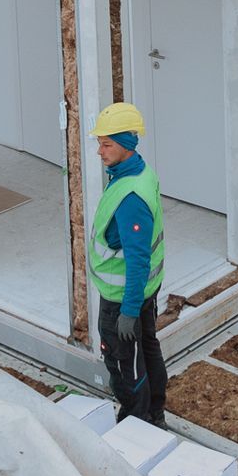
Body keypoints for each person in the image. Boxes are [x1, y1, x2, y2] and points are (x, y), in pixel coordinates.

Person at [88, 102, 167, 427]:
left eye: (107, 144)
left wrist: (129, 312)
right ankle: (155, 414)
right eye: (99, 143)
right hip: (143, 292)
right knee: (147, 350)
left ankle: (137, 424)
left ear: (127, 144)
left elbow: (137, 261)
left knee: (124, 364)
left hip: (123, 299)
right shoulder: (140, 173)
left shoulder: (131, 198)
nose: (99, 151)